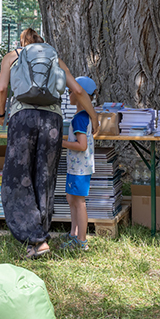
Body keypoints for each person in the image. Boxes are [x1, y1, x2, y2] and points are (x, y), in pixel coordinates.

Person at [0, 28, 98, 259]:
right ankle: (40, 236)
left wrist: (1, 114)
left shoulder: (12, 56)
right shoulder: (55, 59)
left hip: (22, 120)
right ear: (42, 45)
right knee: (45, 177)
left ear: (22, 43)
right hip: (52, 121)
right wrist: (94, 116)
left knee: (18, 177)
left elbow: (1, 88)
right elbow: (78, 90)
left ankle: (36, 240)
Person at [63, 76, 97, 252]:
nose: (69, 94)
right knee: (71, 198)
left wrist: (61, 143)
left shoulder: (80, 119)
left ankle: (81, 240)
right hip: (76, 166)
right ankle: (74, 233)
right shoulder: (84, 116)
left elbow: (81, 145)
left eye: (71, 91)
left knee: (79, 202)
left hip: (79, 168)